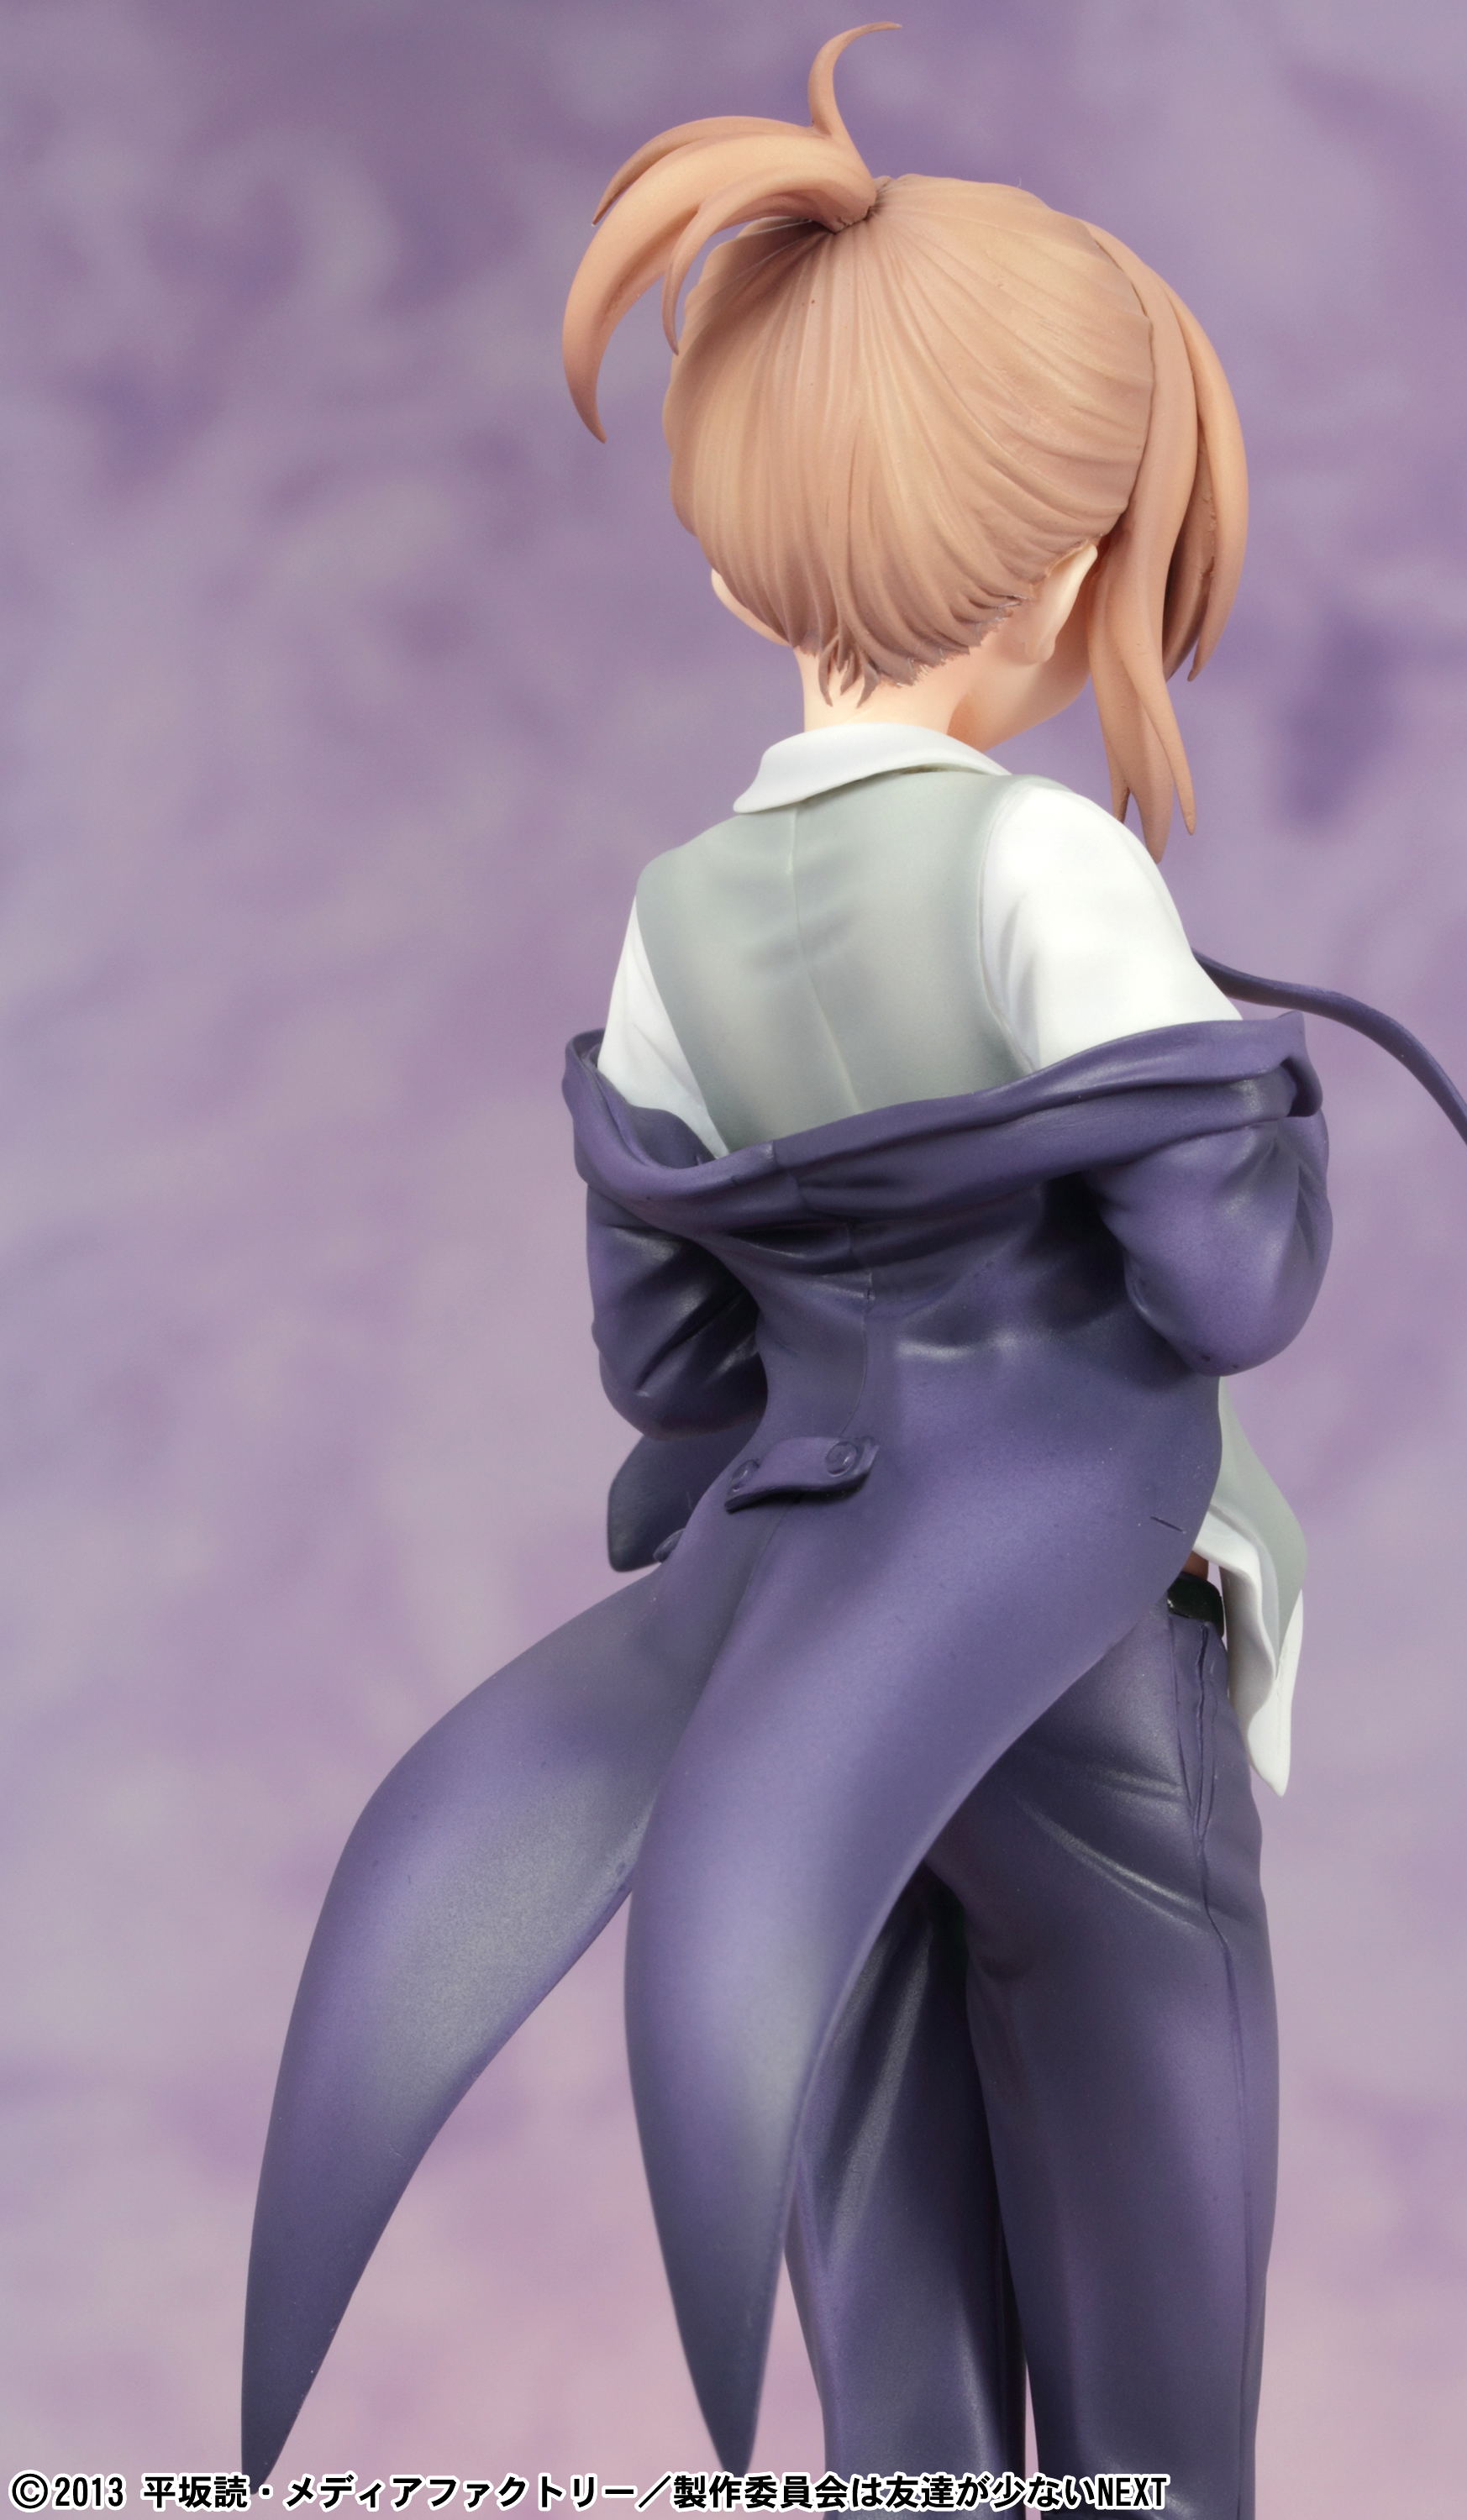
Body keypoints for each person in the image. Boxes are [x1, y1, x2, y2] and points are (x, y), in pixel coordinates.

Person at [243, 31, 1333, 2512]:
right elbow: (1225, 1284)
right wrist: (1270, 1118)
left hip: (792, 1648)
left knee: (889, 2321)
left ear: (743, 575)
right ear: (1073, 565)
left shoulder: (675, 920)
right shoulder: (1048, 871)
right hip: (1075, 1635)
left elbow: (661, 1348)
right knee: (1150, 2303)